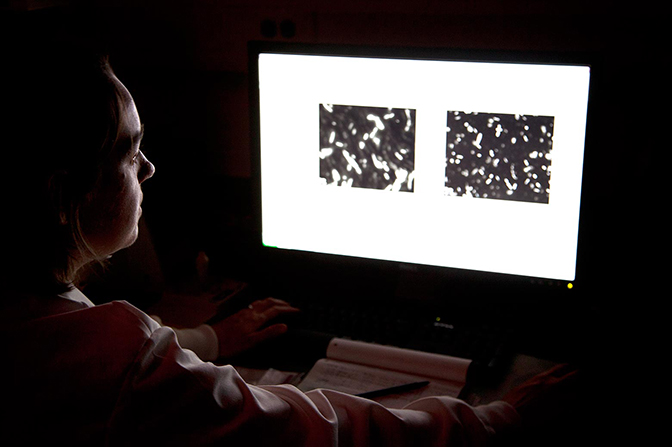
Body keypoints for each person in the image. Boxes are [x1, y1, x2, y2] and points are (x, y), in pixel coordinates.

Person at [1, 42, 577, 446]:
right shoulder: (115, 366)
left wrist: (208, 337)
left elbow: (94, 355)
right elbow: (312, 432)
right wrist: (501, 422)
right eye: (129, 154)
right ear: (60, 196)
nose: (149, 169)